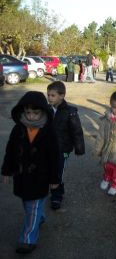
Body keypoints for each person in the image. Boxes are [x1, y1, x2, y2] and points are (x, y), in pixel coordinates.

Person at [1, 91, 61, 254]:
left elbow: (55, 157)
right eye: (28, 112)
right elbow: (10, 151)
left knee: (32, 206)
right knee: (28, 205)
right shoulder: (18, 129)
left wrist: (55, 178)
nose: (31, 116)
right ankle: (39, 217)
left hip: (40, 178)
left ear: (42, 112)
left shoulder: (48, 131)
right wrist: (6, 170)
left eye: (35, 113)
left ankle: (27, 239)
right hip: (22, 178)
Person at [47, 81, 85, 210]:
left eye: (53, 95)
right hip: (48, 148)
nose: (50, 98)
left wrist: (79, 148)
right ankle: (47, 189)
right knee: (48, 169)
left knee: (58, 172)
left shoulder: (70, 112)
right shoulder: (46, 110)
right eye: (48, 95)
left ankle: (57, 196)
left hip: (63, 149)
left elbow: (77, 131)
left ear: (62, 96)